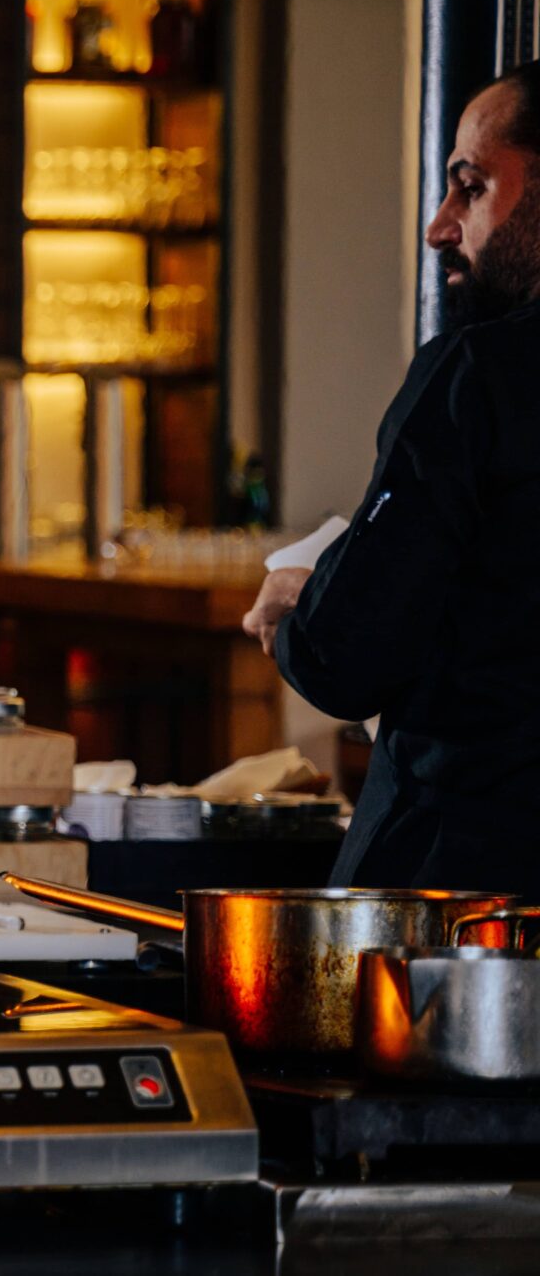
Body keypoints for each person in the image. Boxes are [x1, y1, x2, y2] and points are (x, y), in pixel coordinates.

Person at [242, 64, 540, 896]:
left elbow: (348, 654)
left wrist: (303, 600)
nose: (442, 226)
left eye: (469, 187)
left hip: (468, 900)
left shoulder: (476, 376)